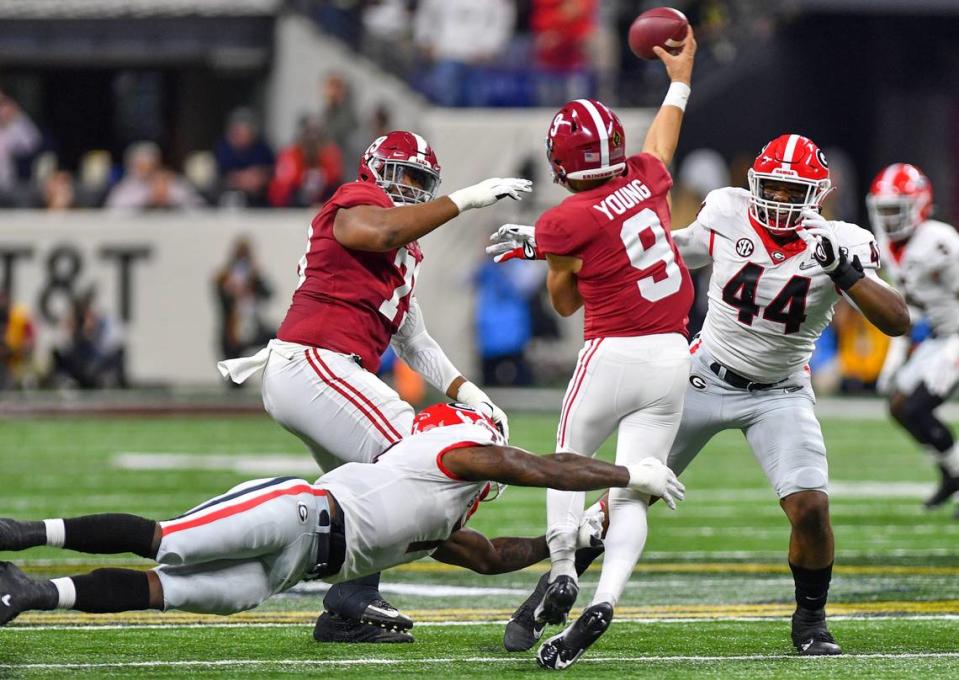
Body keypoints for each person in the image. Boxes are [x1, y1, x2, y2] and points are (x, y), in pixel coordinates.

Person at [508, 135, 911, 659]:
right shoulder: (727, 210)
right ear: (753, 183)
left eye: (793, 192)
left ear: (817, 196)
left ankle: (810, 622)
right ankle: (552, 588)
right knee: (631, 490)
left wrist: (845, 271)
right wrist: (558, 246)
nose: (780, 201)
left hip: (780, 391)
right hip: (704, 374)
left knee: (810, 509)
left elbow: (897, 320)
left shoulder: (842, 241)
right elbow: (658, 250)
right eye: (772, 188)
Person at [217, 130, 531, 644]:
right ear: (376, 169)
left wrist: (471, 394)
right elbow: (380, 232)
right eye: (403, 174)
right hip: (314, 362)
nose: (410, 187)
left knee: (374, 497)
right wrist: (470, 198)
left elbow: (416, 342)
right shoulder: (356, 200)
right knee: (416, 455)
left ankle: (347, 608)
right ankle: (347, 594)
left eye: (420, 181)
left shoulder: (404, 255)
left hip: (319, 374)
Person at [0, 403, 683, 630]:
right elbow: (535, 468)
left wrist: (566, 537)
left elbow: (490, 556)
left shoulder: (440, 512)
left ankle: (30, 592)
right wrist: (626, 474)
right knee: (169, 542)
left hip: (289, 570)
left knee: (165, 591)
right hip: (296, 512)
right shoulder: (448, 453)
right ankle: (24, 534)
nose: (496, 456)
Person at [485, 33, 697, 669]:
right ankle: (606, 598)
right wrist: (680, 79)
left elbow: (565, 302)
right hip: (671, 355)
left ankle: (561, 572)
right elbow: (661, 140)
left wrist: (547, 251)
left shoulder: (563, 220)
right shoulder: (647, 177)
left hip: (613, 353)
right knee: (635, 487)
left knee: (567, 459)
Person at [869, 164, 959, 514]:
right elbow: (908, 309)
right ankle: (951, 473)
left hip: (956, 336)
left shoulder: (939, 241)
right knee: (899, 407)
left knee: (918, 406)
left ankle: (956, 472)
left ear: (919, 204)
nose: (890, 219)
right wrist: (898, 355)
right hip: (939, 336)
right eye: (884, 210)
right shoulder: (890, 247)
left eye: (896, 209)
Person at [215, 109, 275, 208]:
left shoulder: (262, 147)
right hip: (229, 195)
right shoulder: (223, 148)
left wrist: (258, 177)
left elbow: (271, 170)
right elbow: (222, 175)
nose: (242, 136)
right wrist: (242, 180)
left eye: (246, 131)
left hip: (259, 197)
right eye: (238, 132)